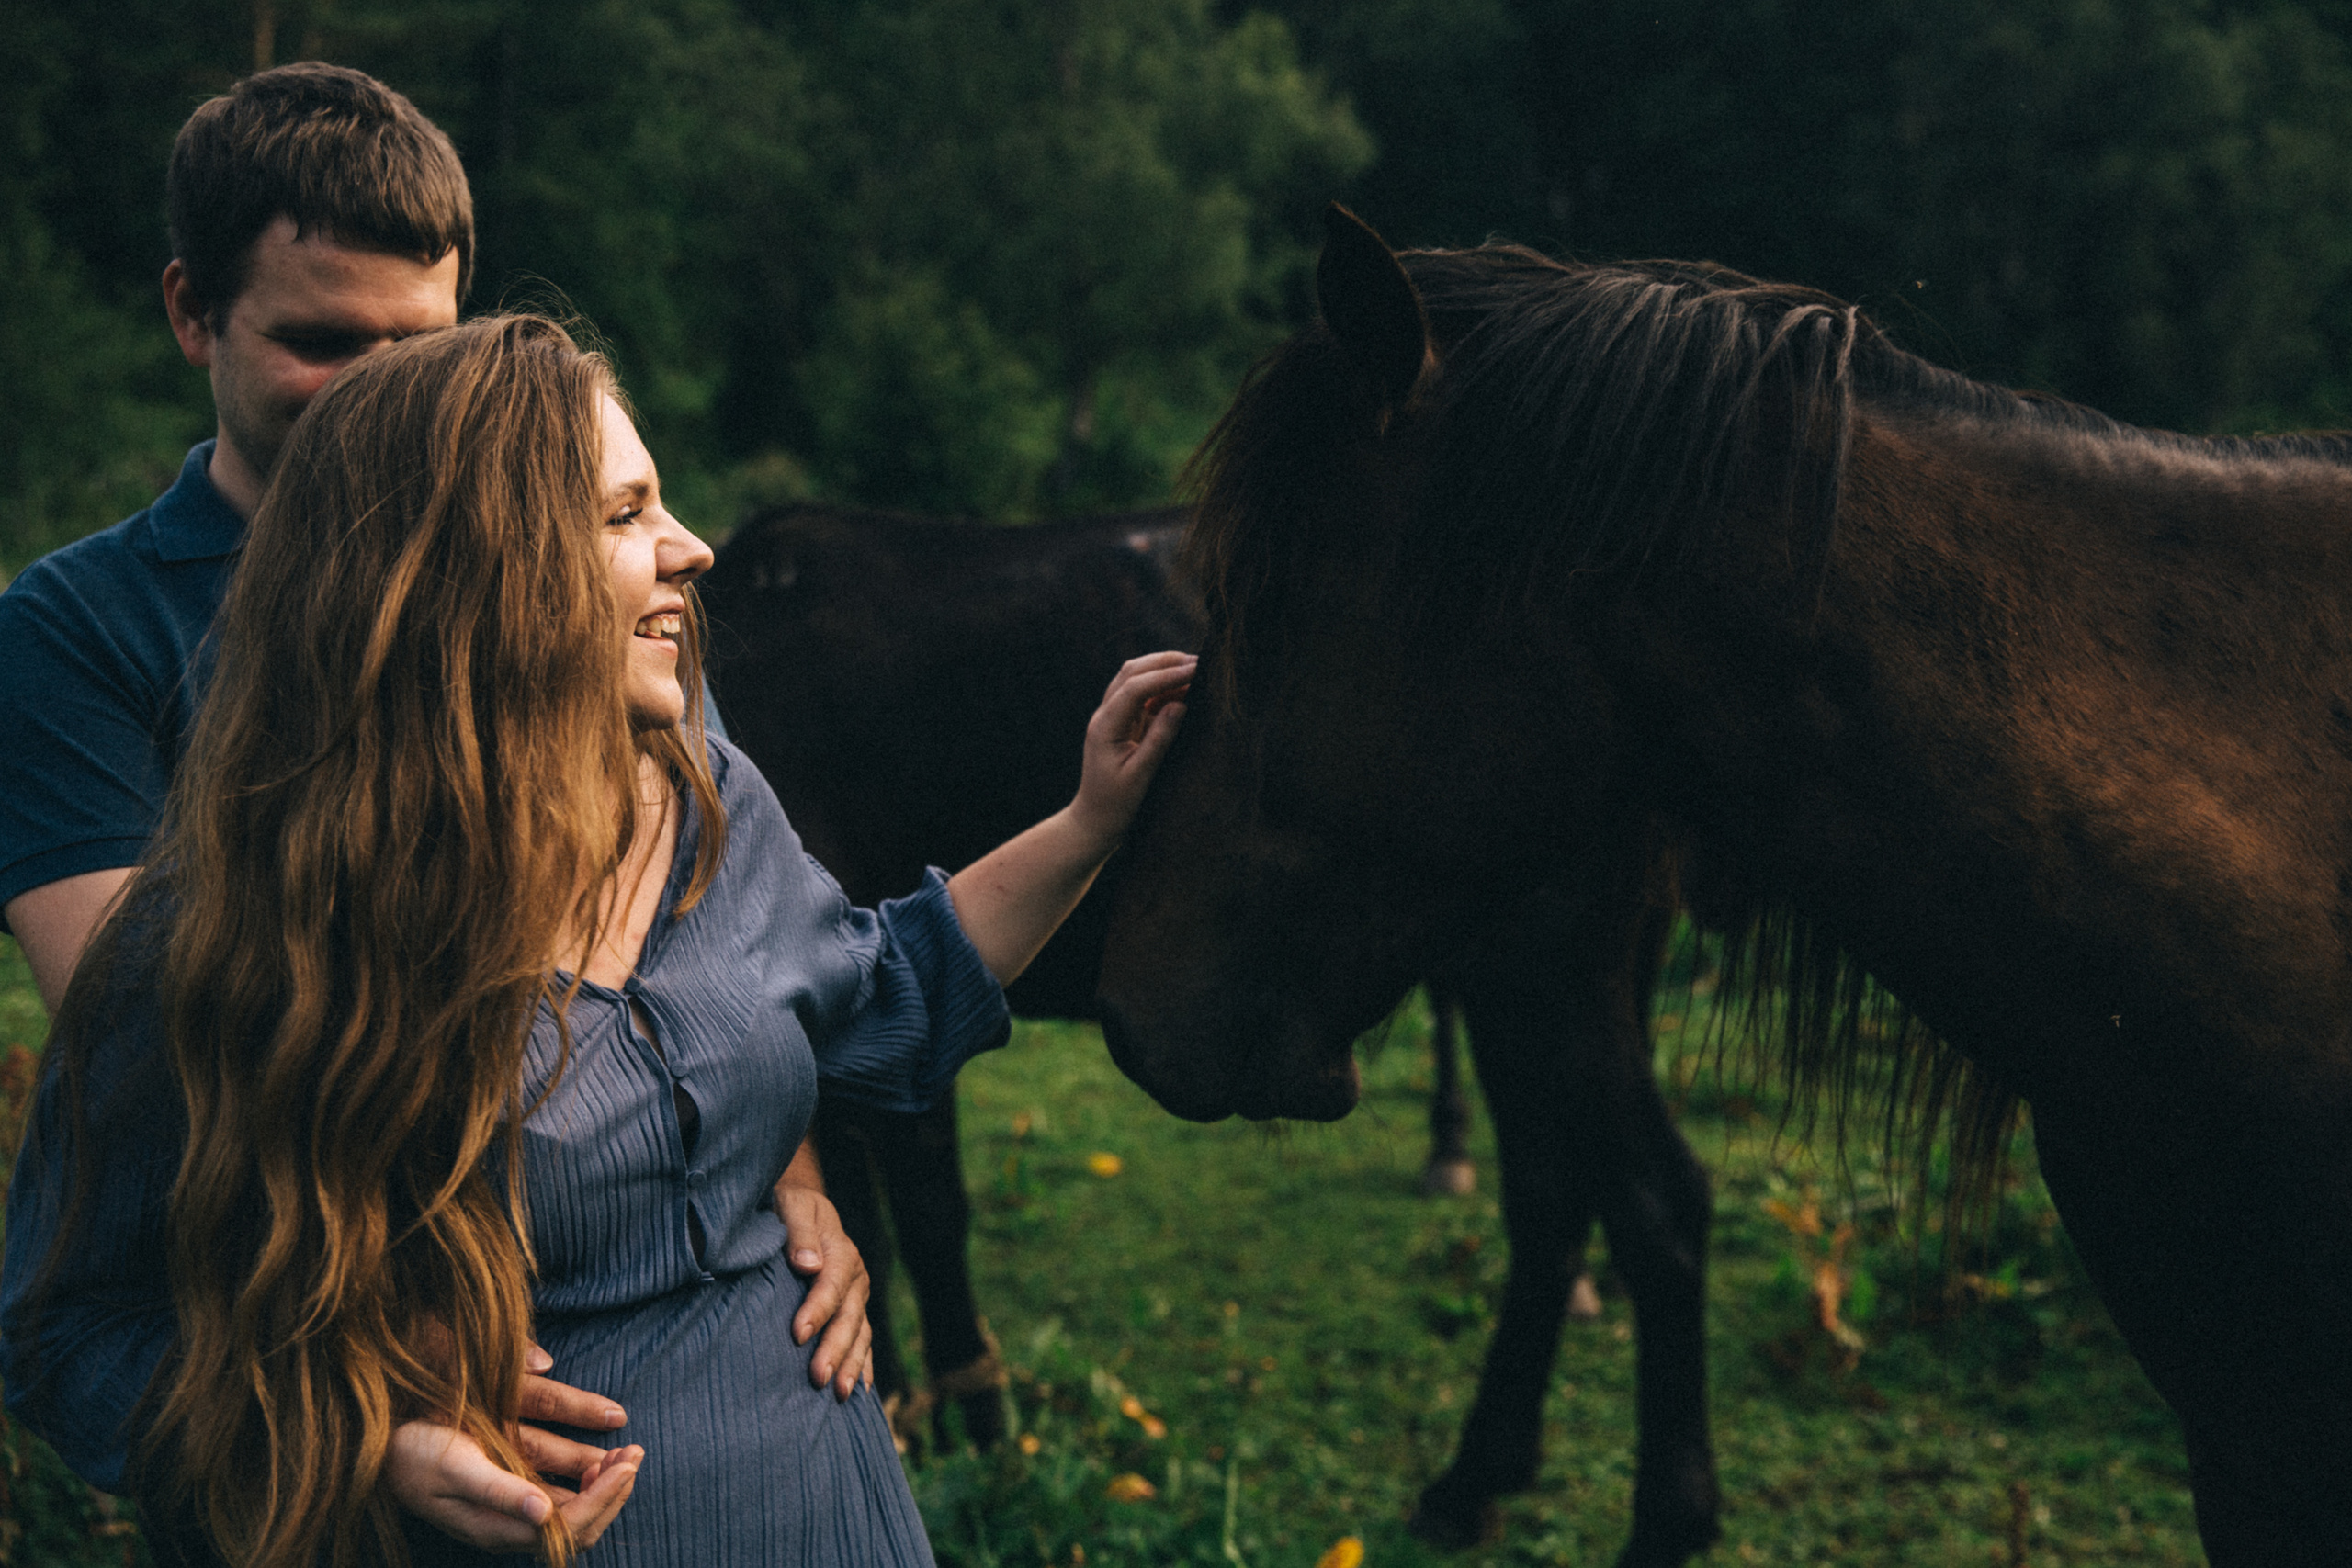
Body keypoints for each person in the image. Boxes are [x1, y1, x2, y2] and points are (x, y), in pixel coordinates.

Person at [0, 315, 1196, 1566]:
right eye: (626, 516)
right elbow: (69, 1339)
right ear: (464, 570)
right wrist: (365, 1442)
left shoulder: (704, 806)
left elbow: (880, 986)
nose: (693, 550)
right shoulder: (231, 938)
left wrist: (1087, 820)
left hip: (832, 1516)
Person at [0, 62, 877, 1529]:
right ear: (188, 312)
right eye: (321, 343)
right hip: (320, 1394)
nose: (381, 395)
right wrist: (357, 1383)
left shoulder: (590, 599)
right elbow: (171, 1051)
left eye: (418, 344)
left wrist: (766, 1167)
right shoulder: (75, 635)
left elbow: (706, 931)